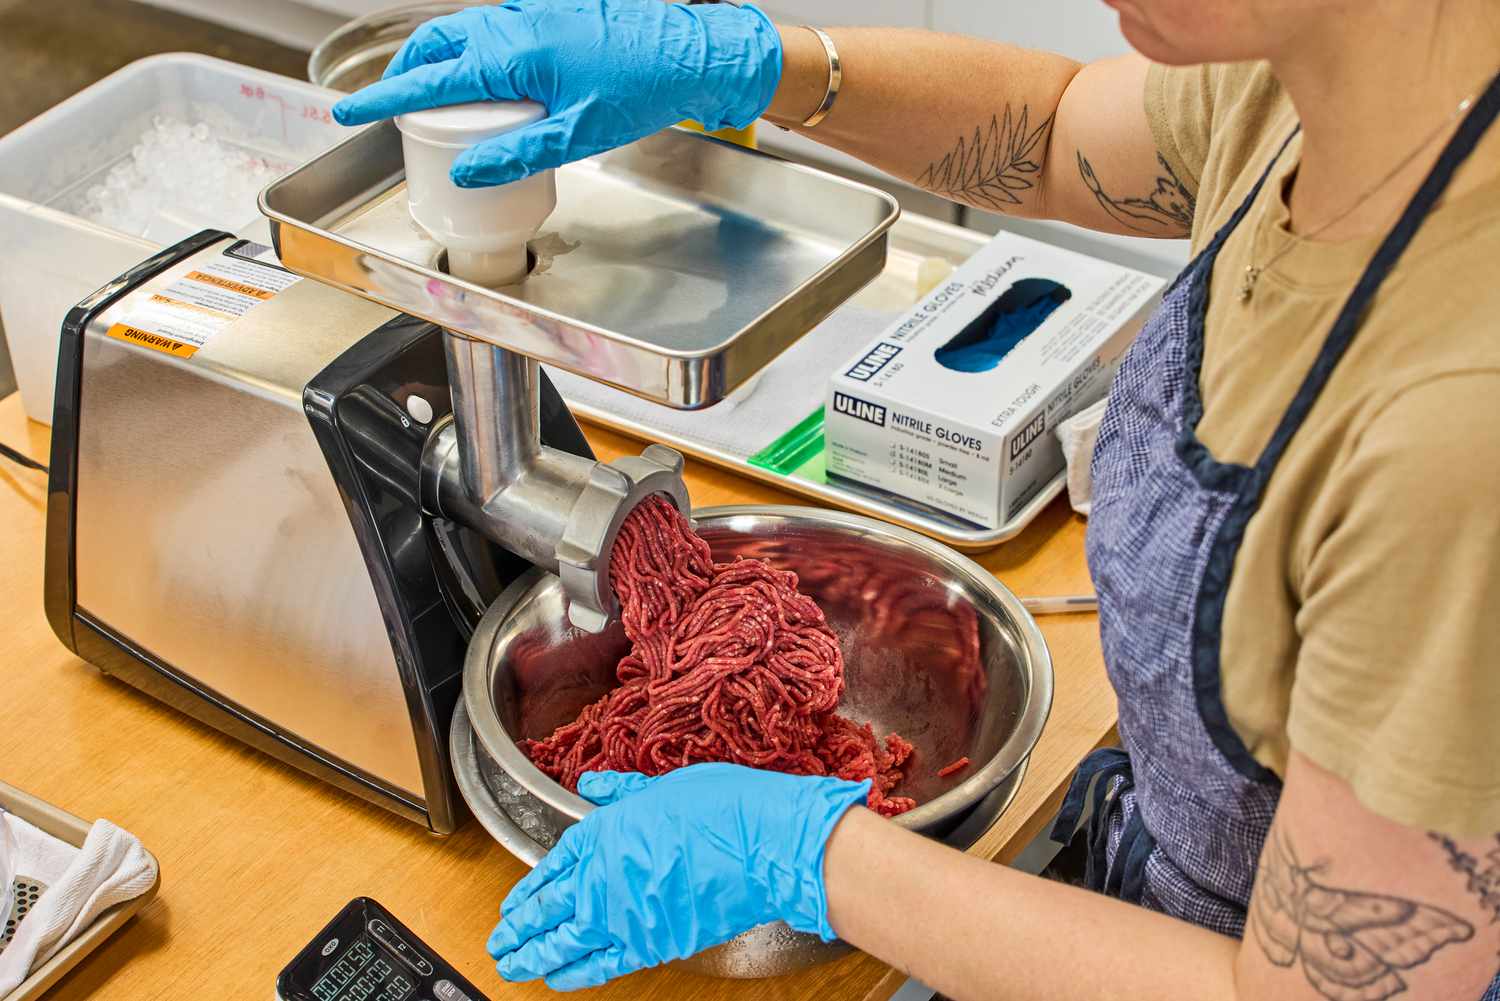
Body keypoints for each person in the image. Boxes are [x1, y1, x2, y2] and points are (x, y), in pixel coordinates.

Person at [334, 1, 1500, 996]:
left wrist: (806, 853)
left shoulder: (1456, 427)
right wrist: (753, 61)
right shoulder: (1322, 77)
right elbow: (1049, 134)